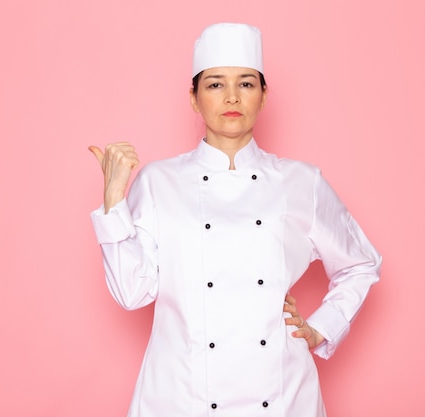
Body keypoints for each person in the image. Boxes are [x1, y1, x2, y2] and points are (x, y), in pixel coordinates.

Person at [88, 22, 381, 417]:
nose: (231, 97)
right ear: (193, 98)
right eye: (214, 84)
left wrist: (321, 327)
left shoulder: (301, 182)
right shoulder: (159, 181)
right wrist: (113, 201)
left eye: (246, 84)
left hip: (279, 394)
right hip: (180, 394)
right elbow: (130, 293)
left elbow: (360, 263)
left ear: (263, 95)